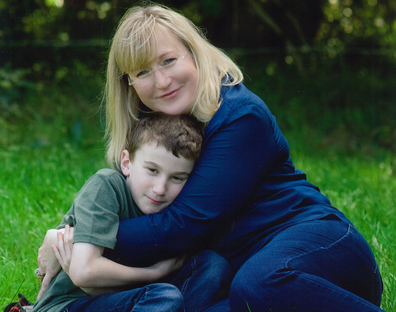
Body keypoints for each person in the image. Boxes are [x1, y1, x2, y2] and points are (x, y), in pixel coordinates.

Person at [38, 3, 384, 312]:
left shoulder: (240, 115)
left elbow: (180, 228)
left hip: (319, 250)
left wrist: (76, 238)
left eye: (169, 60)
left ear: (194, 53)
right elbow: (118, 205)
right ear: (129, 84)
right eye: (143, 72)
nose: (161, 80)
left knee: (259, 284)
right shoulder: (156, 132)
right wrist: (77, 236)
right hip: (236, 276)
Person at [34, 112, 232, 312]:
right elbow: (83, 272)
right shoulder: (107, 186)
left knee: (213, 267)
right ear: (126, 163)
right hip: (70, 304)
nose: (160, 188)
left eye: (177, 178)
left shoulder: (180, 205)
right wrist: (153, 274)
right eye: (152, 170)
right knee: (164, 297)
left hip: (133, 296)